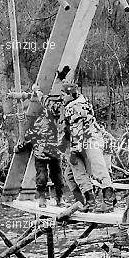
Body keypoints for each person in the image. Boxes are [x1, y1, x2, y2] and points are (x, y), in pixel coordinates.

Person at [32, 81, 115, 211]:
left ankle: (109, 202)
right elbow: (50, 104)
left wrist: (73, 153)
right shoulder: (66, 104)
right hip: (72, 143)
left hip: (89, 139)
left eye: (64, 95)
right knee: (74, 174)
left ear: (71, 94)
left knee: (99, 169)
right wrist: (38, 92)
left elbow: (77, 132)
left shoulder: (78, 107)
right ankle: (87, 201)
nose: (62, 97)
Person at [21, 109, 65, 207]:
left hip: (55, 153)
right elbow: (30, 135)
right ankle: (42, 198)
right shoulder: (39, 119)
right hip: (41, 153)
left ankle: (59, 197)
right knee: (42, 177)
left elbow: (64, 134)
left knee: (57, 177)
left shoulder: (61, 119)